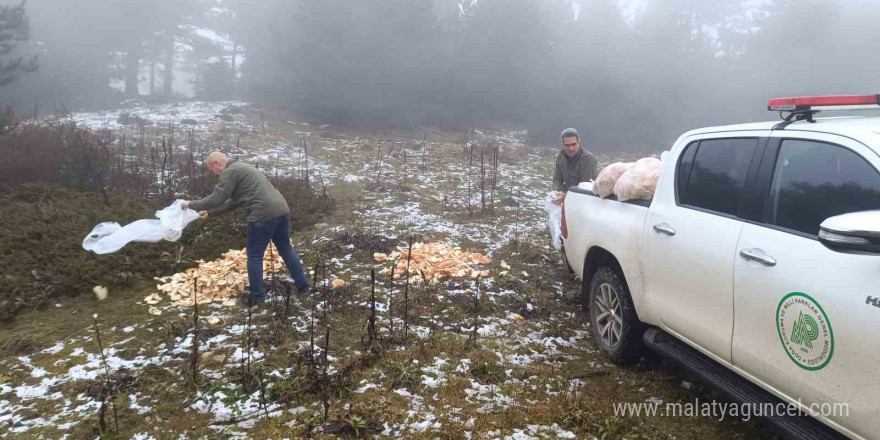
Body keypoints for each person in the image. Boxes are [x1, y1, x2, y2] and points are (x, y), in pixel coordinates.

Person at [182, 151, 309, 304]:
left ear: (217, 163)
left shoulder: (229, 172)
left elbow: (217, 198)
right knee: (286, 249)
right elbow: (234, 201)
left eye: (212, 170)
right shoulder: (243, 167)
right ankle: (303, 287)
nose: (214, 174)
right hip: (282, 210)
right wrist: (210, 213)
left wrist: (191, 204)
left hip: (262, 215)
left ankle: (257, 298)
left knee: (254, 256)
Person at [552, 128, 598, 205]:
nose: (571, 148)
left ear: (579, 142)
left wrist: (566, 196)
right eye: (567, 145)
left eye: (574, 144)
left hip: (585, 201)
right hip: (566, 199)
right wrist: (554, 192)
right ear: (563, 145)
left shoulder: (588, 159)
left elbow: (586, 187)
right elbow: (557, 178)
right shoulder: (561, 156)